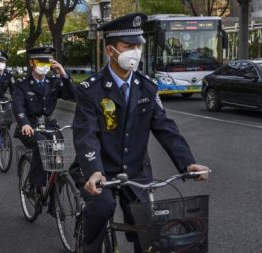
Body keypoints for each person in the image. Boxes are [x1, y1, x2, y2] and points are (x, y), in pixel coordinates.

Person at [70, 13, 210, 253]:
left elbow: (165, 127)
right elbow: (86, 134)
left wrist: (188, 163)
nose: (135, 51)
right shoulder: (89, 90)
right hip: (100, 171)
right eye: (128, 46)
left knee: (147, 232)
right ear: (110, 50)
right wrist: (94, 171)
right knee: (101, 210)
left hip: (136, 172)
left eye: (138, 45)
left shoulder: (147, 86)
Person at [12, 47, 76, 198]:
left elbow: (73, 95)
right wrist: (24, 123)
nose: (44, 66)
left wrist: (63, 73)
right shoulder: (22, 84)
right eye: (40, 62)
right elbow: (17, 105)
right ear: (32, 63)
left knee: (58, 148)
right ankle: (34, 186)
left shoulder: (54, 82)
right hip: (29, 126)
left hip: (48, 125)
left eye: (47, 62)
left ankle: (55, 194)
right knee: (42, 145)